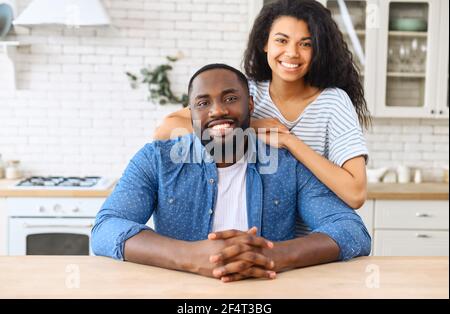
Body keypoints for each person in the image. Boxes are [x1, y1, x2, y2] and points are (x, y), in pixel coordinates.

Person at [91, 64, 371, 283]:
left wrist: (275, 255)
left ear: (250, 105)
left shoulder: (286, 164)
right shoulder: (156, 159)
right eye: (203, 103)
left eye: (230, 98)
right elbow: (105, 229)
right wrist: (188, 255)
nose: (218, 110)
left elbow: (352, 231)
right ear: (190, 114)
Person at [153, 0, 371, 237]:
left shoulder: (333, 102)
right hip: (256, 236)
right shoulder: (247, 93)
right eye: (281, 40)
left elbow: (355, 193)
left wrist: (290, 142)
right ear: (264, 43)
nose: (292, 53)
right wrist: (251, 124)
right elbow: (167, 129)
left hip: (310, 247)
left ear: (318, 50)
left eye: (305, 44)